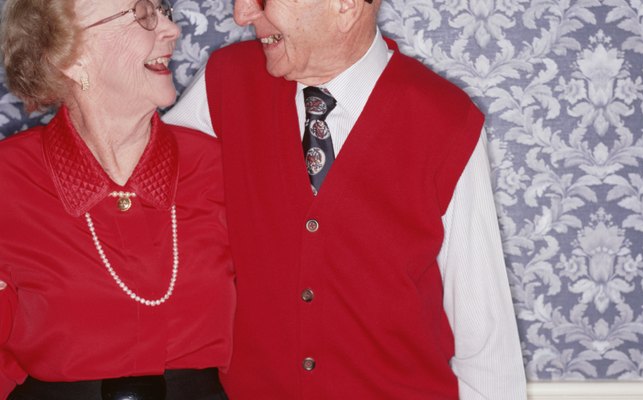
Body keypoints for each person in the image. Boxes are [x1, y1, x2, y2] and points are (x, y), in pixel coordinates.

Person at [165, 0, 527, 398]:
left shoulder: (445, 120)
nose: (242, 15)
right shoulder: (226, 83)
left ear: (346, 5)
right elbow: (146, 202)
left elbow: (484, 332)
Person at [0, 0, 234, 399]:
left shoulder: (219, 167)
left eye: (163, 11)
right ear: (70, 57)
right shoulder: (10, 181)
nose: (171, 30)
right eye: (142, 14)